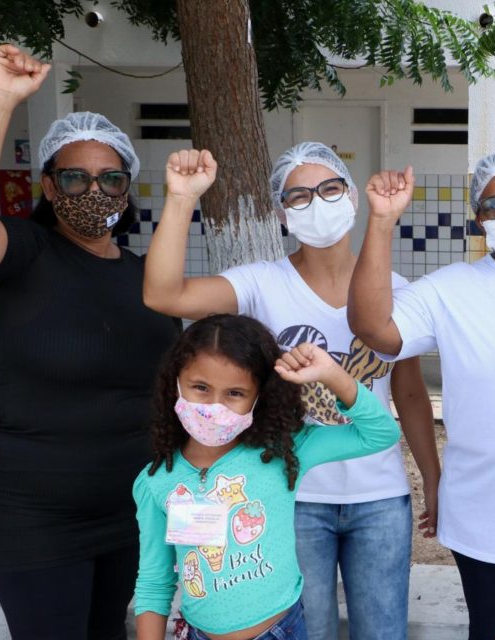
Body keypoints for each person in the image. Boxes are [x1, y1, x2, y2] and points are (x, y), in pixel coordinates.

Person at [0, 44, 180, 640]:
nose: (94, 190)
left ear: (128, 186)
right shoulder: (25, 254)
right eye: (75, 176)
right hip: (32, 509)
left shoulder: (145, 276)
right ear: (49, 183)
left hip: (129, 504)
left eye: (110, 177)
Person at [142, 143, 439, 640]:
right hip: (292, 498)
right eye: (298, 195)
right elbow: (163, 294)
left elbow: (409, 395)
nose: (317, 203)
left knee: (384, 632)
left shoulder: (397, 288)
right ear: (281, 212)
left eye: (329, 189)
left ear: (350, 196)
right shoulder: (261, 284)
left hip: (380, 498)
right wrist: (179, 198)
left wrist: (431, 476)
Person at [349, 151, 495, 638]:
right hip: (485, 510)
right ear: (480, 221)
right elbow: (375, 329)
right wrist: (380, 223)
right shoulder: (449, 290)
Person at [132, 313, 401, 640]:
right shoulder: (156, 481)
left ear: (258, 396)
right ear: (175, 383)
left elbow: (380, 434)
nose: (215, 406)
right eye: (200, 387)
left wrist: (331, 374)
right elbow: (154, 583)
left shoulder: (283, 451)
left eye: (234, 393)